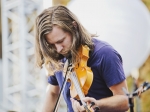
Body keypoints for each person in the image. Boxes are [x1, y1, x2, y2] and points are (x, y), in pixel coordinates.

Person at [35, 5, 129, 112]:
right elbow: (52, 92)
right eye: (51, 45)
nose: (58, 49)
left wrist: (97, 104)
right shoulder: (57, 57)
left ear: (74, 27)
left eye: (61, 41)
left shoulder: (105, 54)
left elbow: (125, 100)